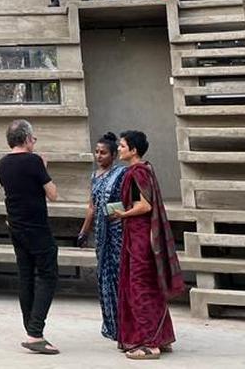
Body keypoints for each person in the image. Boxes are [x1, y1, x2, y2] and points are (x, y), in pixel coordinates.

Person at [111, 130, 184, 360]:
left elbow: (145, 205)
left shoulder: (138, 172)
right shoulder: (140, 170)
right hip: (138, 235)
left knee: (140, 288)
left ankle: (150, 344)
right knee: (147, 287)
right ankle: (161, 337)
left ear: (133, 150)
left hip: (140, 238)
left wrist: (123, 214)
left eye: (122, 146)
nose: (119, 149)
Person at [0, 119, 60, 355]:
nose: (34, 142)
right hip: (36, 227)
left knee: (26, 276)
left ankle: (30, 329)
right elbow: (52, 194)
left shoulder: (3, 164)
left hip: (15, 226)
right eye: (33, 139)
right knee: (47, 275)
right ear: (26, 139)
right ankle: (35, 332)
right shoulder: (33, 161)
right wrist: (44, 168)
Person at [77, 132, 127, 342]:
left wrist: (116, 213)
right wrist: (83, 231)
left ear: (113, 155)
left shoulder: (121, 174)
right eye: (96, 152)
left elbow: (128, 202)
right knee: (104, 277)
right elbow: (92, 207)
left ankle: (126, 325)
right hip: (101, 233)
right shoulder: (94, 175)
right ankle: (111, 325)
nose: (99, 156)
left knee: (118, 277)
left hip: (118, 231)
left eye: (103, 153)